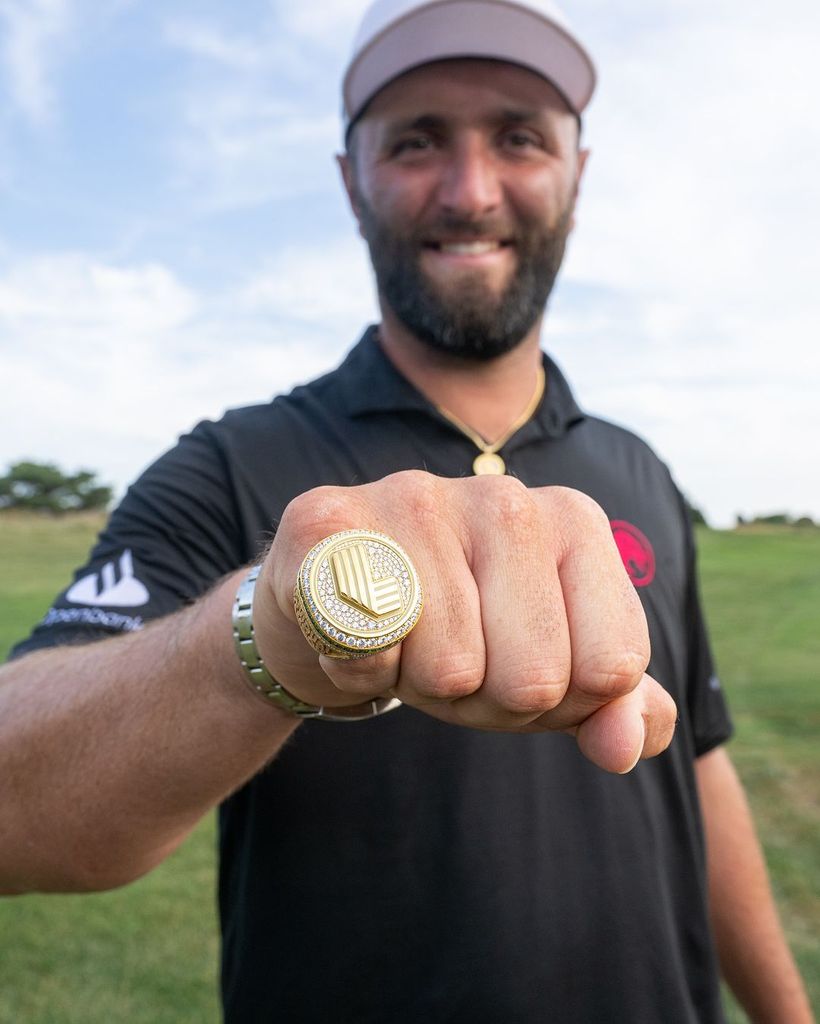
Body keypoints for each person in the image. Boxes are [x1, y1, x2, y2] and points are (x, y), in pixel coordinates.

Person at [1, 1, 813, 1021]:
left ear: (577, 171)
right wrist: (277, 622)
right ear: (350, 182)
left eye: (518, 136)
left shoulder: (637, 466)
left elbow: (695, 758)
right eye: (417, 140)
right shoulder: (229, 464)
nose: (470, 193)